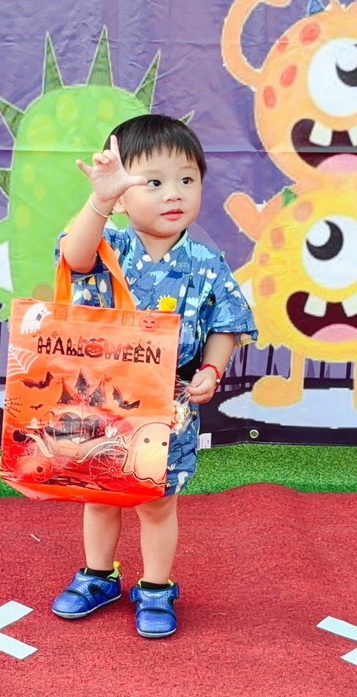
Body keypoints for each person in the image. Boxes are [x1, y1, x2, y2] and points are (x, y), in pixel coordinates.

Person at [51, 114, 257, 638]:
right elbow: (74, 257)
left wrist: (212, 368)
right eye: (153, 182)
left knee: (158, 501)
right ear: (122, 196)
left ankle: (157, 586)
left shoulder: (206, 262)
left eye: (187, 179)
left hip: (170, 403)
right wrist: (99, 200)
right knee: (101, 492)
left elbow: (226, 323)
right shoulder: (110, 246)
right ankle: (98, 575)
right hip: (102, 397)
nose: (174, 193)